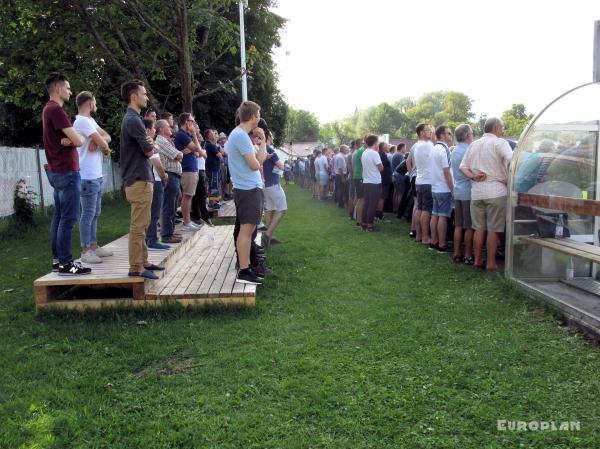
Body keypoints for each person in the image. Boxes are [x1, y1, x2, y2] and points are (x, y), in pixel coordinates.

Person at [43, 73, 90, 275]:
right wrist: (75, 138)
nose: (70, 91)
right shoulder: (57, 110)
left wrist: (70, 139)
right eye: (68, 88)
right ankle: (66, 263)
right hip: (67, 171)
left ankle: (58, 260)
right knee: (68, 219)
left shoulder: (47, 109)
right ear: (58, 88)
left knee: (59, 217)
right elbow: (80, 141)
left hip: (56, 170)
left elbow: (70, 139)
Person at [119, 79, 163, 279]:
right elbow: (148, 151)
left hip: (141, 178)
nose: (147, 97)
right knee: (138, 225)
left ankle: (143, 261)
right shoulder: (133, 120)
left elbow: (149, 145)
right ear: (133, 96)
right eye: (144, 94)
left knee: (143, 223)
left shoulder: (134, 119)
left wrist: (150, 144)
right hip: (138, 179)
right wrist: (151, 145)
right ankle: (136, 267)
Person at [460, 117, 513, 271]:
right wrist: (508, 180)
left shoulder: (473, 144)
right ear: (496, 128)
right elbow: (511, 160)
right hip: (496, 191)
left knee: (478, 228)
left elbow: (463, 167)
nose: (502, 130)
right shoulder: (500, 142)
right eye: (502, 127)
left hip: (476, 192)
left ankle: (477, 260)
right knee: (493, 230)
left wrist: (473, 176)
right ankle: (490, 263)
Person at [226, 101, 268, 285]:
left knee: (249, 229)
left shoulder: (240, 135)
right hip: (247, 189)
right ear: (253, 116)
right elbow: (255, 165)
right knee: (246, 230)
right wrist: (259, 156)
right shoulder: (240, 135)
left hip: (250, 187)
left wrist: (263, 141)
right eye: (258, 114)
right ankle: (244, 271)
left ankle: (247, 267)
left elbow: (259, 161)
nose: (259, 117)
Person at [73, 90, 113, 264]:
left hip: (95, 175)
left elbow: (107, 136)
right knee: (88, 213)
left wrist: (97, 143)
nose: (96, 105)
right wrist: (101, 144)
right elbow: (104, 143)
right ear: (89, 103)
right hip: (87, 175)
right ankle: (85, 250)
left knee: (95, 212)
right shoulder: (82, 121)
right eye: (95, 102)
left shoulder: (90, 121)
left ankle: (94, 245)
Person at [154, 119, 185, 243]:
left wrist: (178, 155)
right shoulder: (161, 141)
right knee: (168, 206)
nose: (171, 127)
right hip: (170, 175)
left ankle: (170, 232)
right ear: (161, 129)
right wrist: (179, 155)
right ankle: (166, 235)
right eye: (168, 126)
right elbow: (178, 155)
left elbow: (177, 155)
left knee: (172, 206)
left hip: (174, 176)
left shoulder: (166, 141)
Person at [174, 113, 205, 231]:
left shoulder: (184, 135)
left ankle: (188, 221)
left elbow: (198, 152)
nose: (193, 123)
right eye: (192, 121)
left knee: (189, 196)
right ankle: (186, 222)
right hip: (187, 169)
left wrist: (193, 149)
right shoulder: (182, 134)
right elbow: (197, 149)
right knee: (187, 196)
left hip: (191, 168)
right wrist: (194, 134)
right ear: (187, 122)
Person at [143, 119, 169, 251]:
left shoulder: (151, 143)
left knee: (154, 212)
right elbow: (157, 163)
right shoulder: (148, 143)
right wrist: (164, 176)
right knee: (154, 212)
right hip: (156, 180)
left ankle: (151, 238)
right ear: (148, 130)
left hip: (156, 180)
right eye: (153, 128)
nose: (154, 130)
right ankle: (152, 239)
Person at [451, 124, 475, 264]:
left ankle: (456, 253)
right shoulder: (469, 150)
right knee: (469, 226)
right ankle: (467, 255)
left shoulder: (454, 150)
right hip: (467, 191)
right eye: (472, 134)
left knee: (458, 225)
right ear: (467, 136)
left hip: (458, 190)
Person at [429, 125, 454, 252]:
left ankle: (433, 241)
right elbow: (446, 172)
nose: (451, 135)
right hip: (443, 188)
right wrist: (453, 189)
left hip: (435, 187)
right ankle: (442, 244)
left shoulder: (434, 148)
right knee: (443, 216)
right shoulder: (444, 149)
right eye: (449, 133)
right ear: (442, 135)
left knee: (435, 215)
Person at [262, 130, 287, 246]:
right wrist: (285, 166)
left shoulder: (261, 149)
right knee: (282, 209)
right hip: (273, 184)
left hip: (265, 185)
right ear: (268, 137)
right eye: (272, 136)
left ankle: (270, 237)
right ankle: (267, 234)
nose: (273, 138)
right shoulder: (270, 150)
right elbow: (280, 166)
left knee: (270, 210)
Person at [412, 123, 434, 244]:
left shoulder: (417, 145)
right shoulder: (427, 145)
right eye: (428, 130)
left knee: (419, 209)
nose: (430, 132)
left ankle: (419, 235)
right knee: (426, 210)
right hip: (427, 182)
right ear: (421, 133)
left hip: (420, 181)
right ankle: (425, 237)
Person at [361, 135, 383, 231]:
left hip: (366, 181)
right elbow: (381, 168)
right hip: (374, 182)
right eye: (377, 142)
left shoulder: (364, 152)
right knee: (372, 204)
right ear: (375, 143)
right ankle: (370, 224)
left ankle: (364, 222)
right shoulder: (374, 153)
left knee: (366, 203)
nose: (378, 143)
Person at [204, 129, 223, 209]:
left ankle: (214, 201)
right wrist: (220, 151)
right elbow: (220, 155)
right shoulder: (210, 145)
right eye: (213, 133)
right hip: (212, 169)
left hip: (214, 168)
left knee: (215, 185)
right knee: (213, 185)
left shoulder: (211, 144)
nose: (215, 135)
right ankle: (212, 203)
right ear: (209, 136)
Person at [351, 139, 367, 227]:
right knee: (362, 199)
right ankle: (359, 221)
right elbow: (365, 163)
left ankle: (357, 218)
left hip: (358, 176)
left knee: (359, 198)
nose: (364, 143)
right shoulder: (361, 151)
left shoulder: (360, 150)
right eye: (362, 142)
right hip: (360, 177)